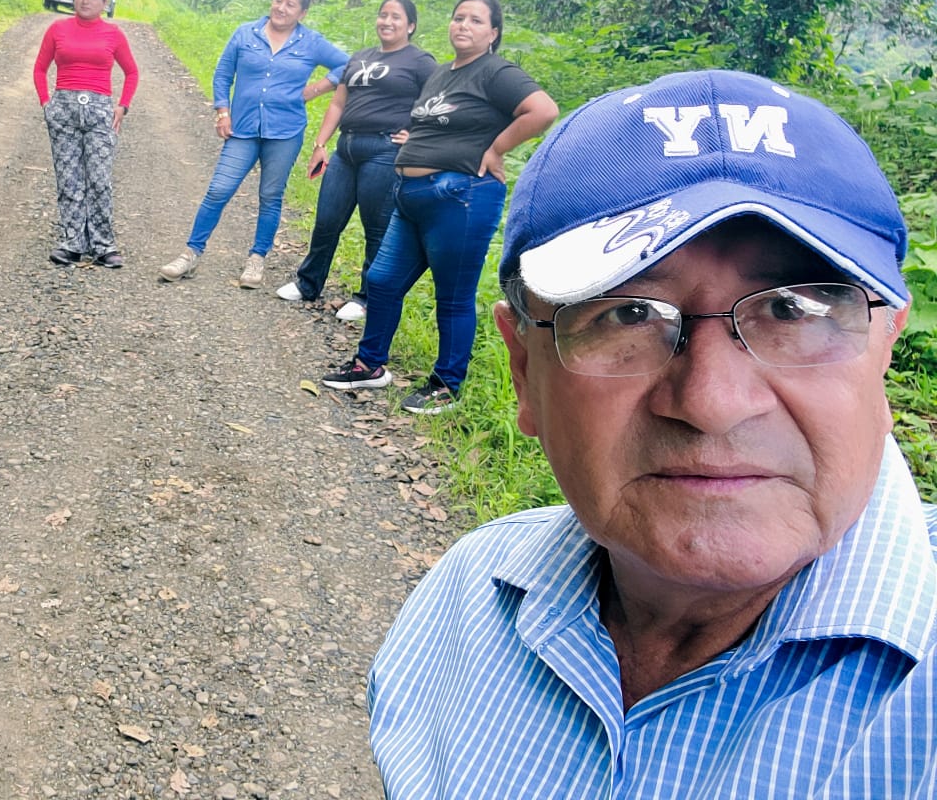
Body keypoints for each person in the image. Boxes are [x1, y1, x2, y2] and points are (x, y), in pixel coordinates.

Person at [368, 69, 936, 798]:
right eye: (628, 314)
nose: (711, 403)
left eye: (792, 310)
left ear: (885, 346)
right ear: (524, 369)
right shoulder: (464, 601)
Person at [321, 0, 557, 414]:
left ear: (493, 33)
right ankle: (369, 365)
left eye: (476, 20)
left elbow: (542, 111)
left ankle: (447, 384)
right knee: (382, 281)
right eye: (458, 17)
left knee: (452, 296)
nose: (463, 25)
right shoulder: (442, 73)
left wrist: (496, 149)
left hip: (460, 197)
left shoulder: (495, 72)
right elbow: (432, 122)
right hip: (409, 197)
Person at [159, 0, 348, 288]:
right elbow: (223, 74)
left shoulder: (311, 42)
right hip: (243, 129)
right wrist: (223, 111)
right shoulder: (246, 33)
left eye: (290, 5)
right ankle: (191, 253)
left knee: (270, 196)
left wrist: (315, 89)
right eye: (278, 0)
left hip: (285, 132)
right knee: (218, 190)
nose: (281, 8)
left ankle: (257, 258)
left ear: (302, 13)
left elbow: (349, 64)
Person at [275, 0, 437, 321]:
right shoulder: (360, 57)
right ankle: (308, 283)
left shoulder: (420, 62)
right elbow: (338, 103)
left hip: (384, 150)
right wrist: (321, 143)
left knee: (375, 227)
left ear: (410, 25)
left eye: (395, 17)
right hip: (346, 148)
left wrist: (418, 136)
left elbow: (438, 102)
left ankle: (366, 297)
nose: (387, 22)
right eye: (383, 15)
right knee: (327, 220)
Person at [32, 0, 138, 268]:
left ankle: (104, 245)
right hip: (63, 109)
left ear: (104, 3)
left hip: (100, 111)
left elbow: (132, 72)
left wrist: (123, 106)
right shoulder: (57, 29)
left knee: (99, 179)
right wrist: (46, 104)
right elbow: (40, 69)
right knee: (69, 179)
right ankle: (73, 242)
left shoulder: (113, 34)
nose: (85, 1)